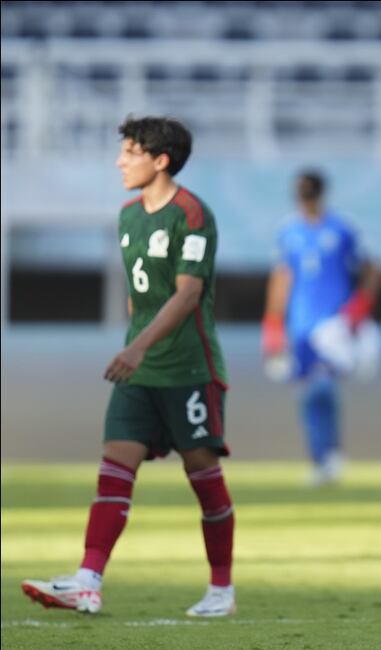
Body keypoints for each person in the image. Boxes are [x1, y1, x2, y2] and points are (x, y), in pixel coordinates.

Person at [21, 116, 236, 617]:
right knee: (114, 469)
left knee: (203, 473)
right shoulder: (127, 216)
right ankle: (87, 582)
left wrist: (136, 346)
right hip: (138, 373)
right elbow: (139, 295)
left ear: (160, 160)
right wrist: (133, 348)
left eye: (130, 152)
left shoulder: (192, 214)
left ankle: (221, 589)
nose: (120, 160)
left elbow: (188, 294)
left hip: (188, 369)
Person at [261, 171, 381, 486]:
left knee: (322, 387)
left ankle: (329, 455)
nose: (306, 201)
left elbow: (373, 268)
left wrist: (359, 307)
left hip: (333, 326)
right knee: (307, 393)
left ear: (320, 194)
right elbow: (282, 278)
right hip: (300, 326)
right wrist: (273, 324)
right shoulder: (289, 232)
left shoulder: (342, 229)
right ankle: (322, 458)